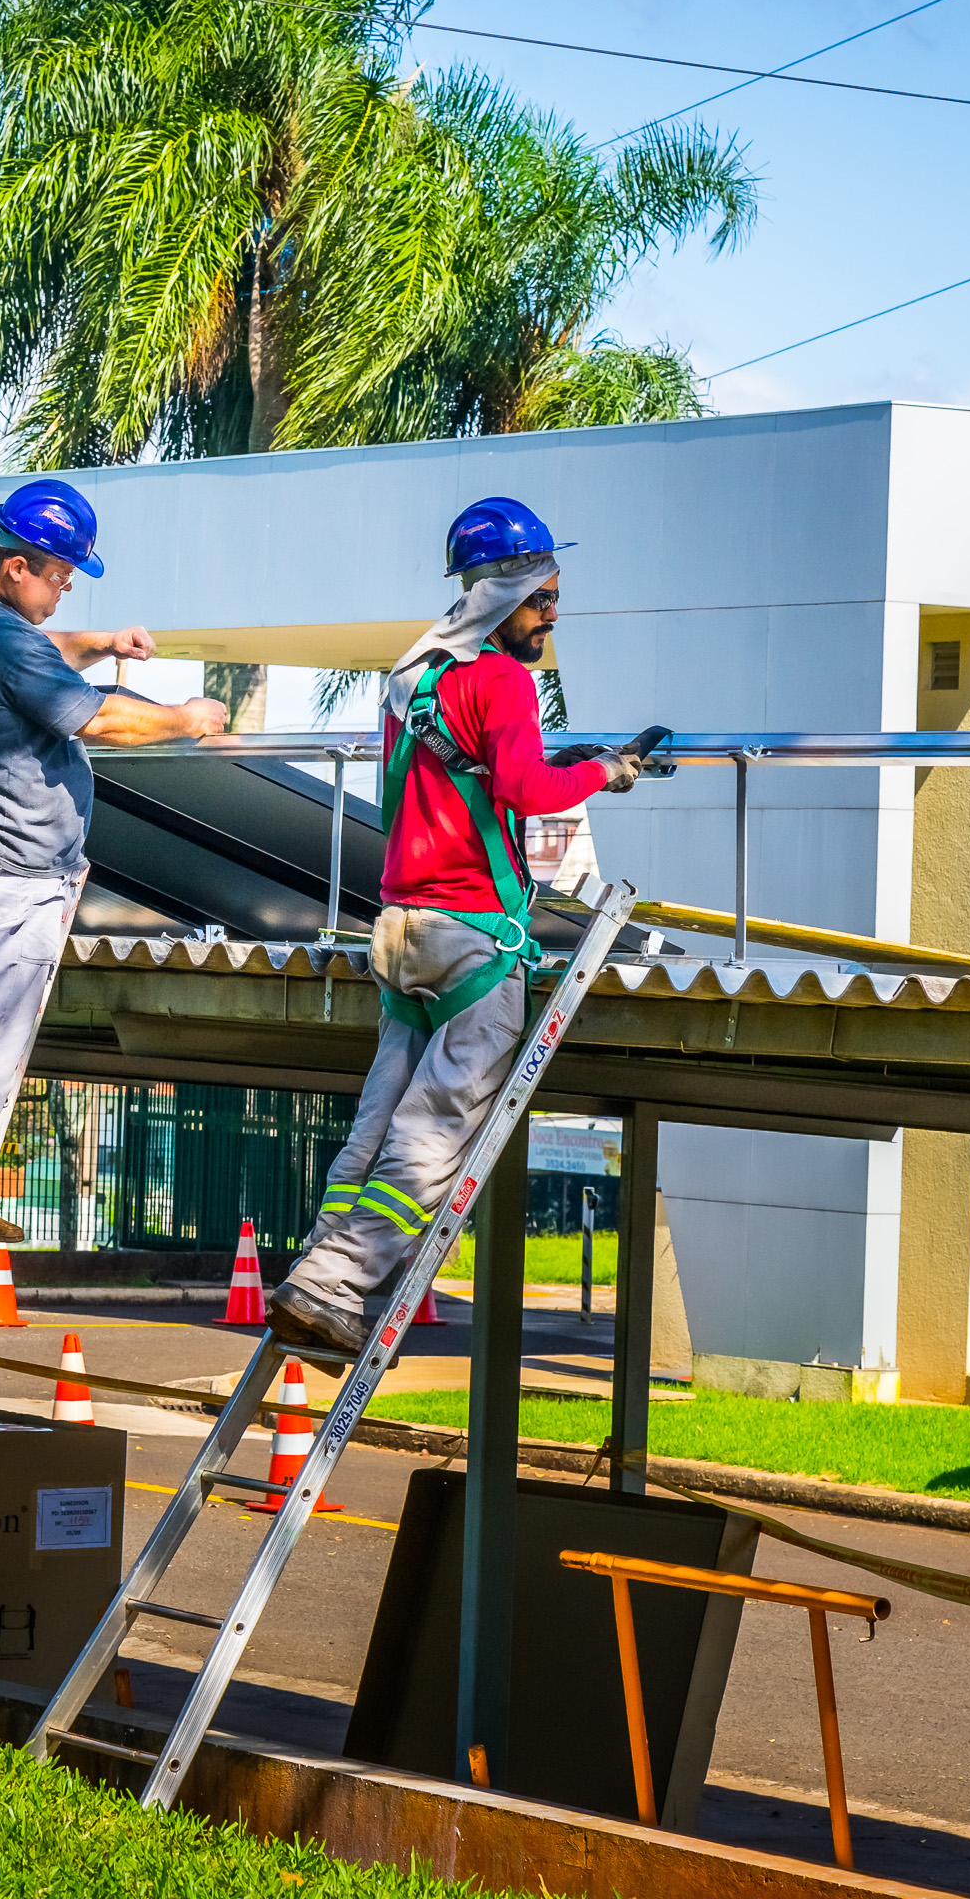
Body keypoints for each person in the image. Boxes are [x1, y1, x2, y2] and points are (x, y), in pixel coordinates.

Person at [265, 496, 645, 1358]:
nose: (553, 614)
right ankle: (337, 1287)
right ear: (508, 596)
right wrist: (606, 772)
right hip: (471, 934)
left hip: (401, 926)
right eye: (545, 598)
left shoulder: (415, 674)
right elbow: (527, 790)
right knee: (433, 1129)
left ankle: (320, 1265)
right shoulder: (504, 681)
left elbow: (469, 775)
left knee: (379, 1115)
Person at [0, 479, 226, 1237]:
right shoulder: (2, 639)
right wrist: (187, 718)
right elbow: (96, 716)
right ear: (19, 566)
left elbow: (35, 653)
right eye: (59, 577)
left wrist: (100, 644)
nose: (62, 593)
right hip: (8, 875)